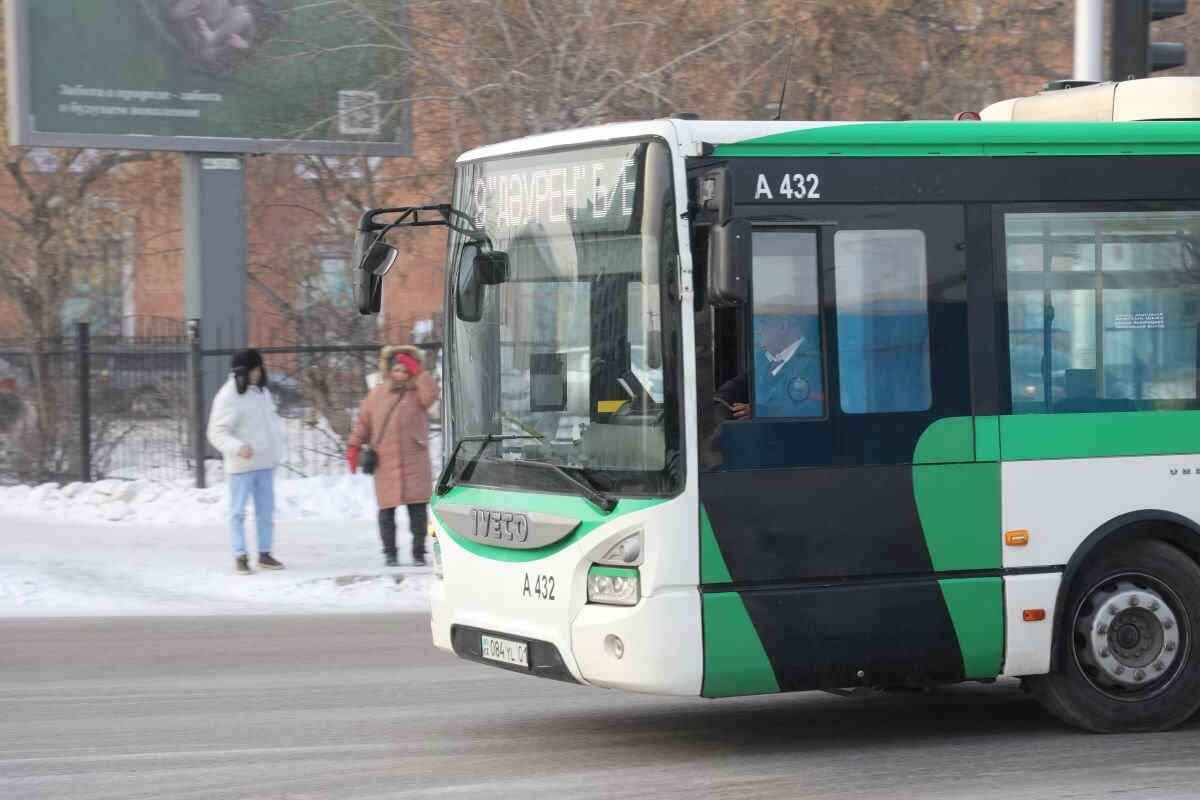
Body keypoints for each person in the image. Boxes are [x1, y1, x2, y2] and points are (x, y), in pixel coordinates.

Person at [348, 346, 440, 567]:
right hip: (385, 464)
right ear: (389, 371)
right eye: (396, 370)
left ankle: (419, 552)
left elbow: (433, 393)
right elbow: (363, 424)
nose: (400, 374)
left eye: (405, 370)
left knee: (418, 513)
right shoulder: (376, 396)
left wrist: (420, 373)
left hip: (414, 463)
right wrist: (354, 446)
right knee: (386, 513)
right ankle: (390, 553)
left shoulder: (418, 393)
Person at [206, 348, 286, 575]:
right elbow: (216, 432)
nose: (258, 373)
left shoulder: (262, 392)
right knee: (238, 512)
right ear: (243, 370)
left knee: (266, 511)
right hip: (241, 466)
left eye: (259, 368)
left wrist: (277, 450)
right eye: (254, 369)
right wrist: (237, 448)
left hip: (264, 464)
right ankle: (240, 555)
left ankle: (264, 552)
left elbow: (270, 424)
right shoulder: (228, 395)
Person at [715, 302, 823, 421]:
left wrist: (764, 412)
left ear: (783, 326)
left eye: (764, 324)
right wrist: (720, 399)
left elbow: (814, 408)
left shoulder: (814, 362)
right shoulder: (765, 358)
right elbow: (743, 382)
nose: (759, 331)